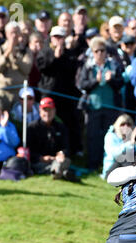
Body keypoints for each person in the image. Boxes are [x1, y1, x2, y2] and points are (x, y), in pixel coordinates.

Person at [78, 36, 124, 171]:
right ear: (92, 52)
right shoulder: (88, 66)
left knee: (109, 137)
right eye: (97, 51)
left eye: (102, 50)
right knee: (92, 137)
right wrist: (95, 81)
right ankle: (93, 165)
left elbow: (121, 83)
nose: (100, 53)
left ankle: (107, 167)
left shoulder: (113, 65)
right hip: (93, 107)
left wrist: (111, 80)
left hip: (111, 107)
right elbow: (82, 84)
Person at [37, 25, 83, 156]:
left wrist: (62, 56)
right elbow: (41, 67)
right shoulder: (45, 52)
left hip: (65, 96)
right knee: (46, 121)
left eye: (60, 37)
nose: (58, 40)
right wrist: (54, 57)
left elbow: (73, 71)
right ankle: (43, 152)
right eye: (55, 37)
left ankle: (73, 151)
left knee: (70, 122)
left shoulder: (69, 54)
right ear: (51, 38)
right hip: (48, 93)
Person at [27, 97, 78, 182]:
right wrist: (41, 158)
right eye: (45, 110)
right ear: (40, 112)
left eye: (50, 110)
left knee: (64, 161)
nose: (47, 113)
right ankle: (63, 173)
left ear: (54, 111)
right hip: (39, 162)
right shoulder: (32, 127)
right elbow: (28, 150)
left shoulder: (61, 127)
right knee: (40, 166)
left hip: (57, 160)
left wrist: (61, 153)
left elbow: (66, 147)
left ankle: (58, 172)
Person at [0, 21, 33, 111]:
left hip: (20, 93)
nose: (14, 35)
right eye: (11, 33)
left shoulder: (26, 51)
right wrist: (7, 52)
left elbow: (27, 69)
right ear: (6, 34)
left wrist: (15, 57)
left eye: (16, 32)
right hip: (3, 92)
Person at [102, 114, 136, 180]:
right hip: (110, 170)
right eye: (122, 124)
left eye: (128, 124)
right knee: (125, 156)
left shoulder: (132, 137)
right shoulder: (110, 136)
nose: (125, 126)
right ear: (117, 125)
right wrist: (130, 143)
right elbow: (115, 154)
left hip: (125, 167)